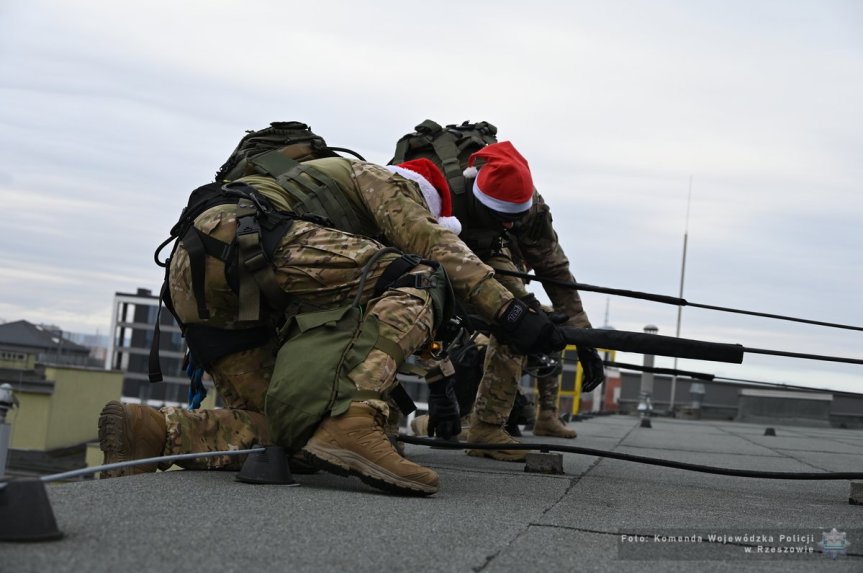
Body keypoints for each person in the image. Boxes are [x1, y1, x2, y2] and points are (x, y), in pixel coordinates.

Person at [98, 142, 567, 496]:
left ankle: (155, 432)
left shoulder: (329, 201)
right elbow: (436, 250)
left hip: (196, 272)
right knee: (425, 279)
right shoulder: (392, 182)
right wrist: (510, 312)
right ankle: (353, 419)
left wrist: (441, 380)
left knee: (287, 427)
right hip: (248, 237)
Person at [391, 120, 605, 461]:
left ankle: (488, 429)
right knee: (403, 312)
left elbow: (553, 268)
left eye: (513, 221)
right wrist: (438, 383)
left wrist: (584, 338)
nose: (509, 226)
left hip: (488, 254)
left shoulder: (527, 205)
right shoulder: (427, 190)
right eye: (500, 217)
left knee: (523, 318)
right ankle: (381, 426)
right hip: (422, 246)